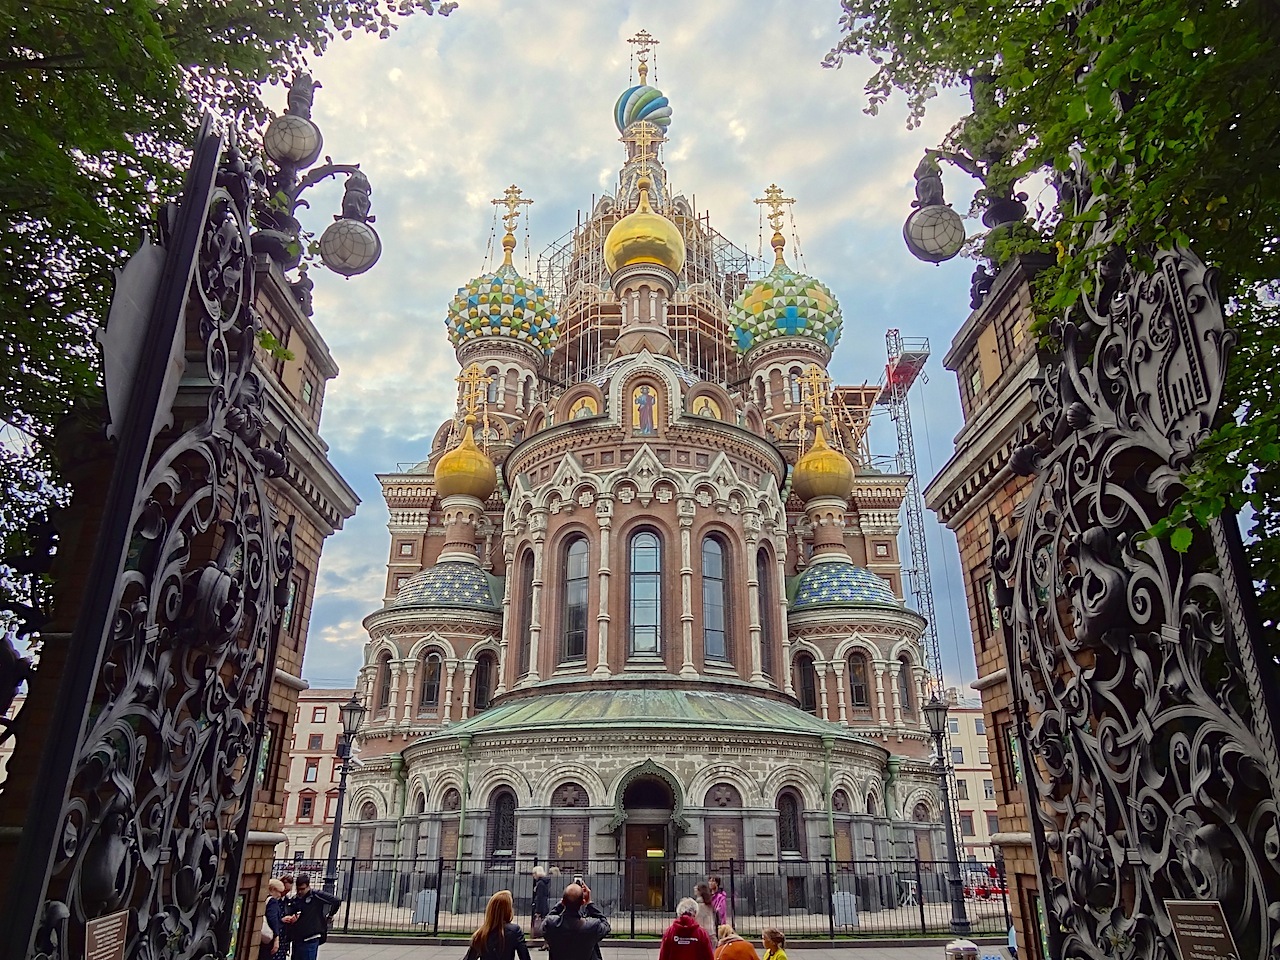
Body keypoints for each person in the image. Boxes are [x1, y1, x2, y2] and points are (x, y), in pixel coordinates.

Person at [542, 883, 610, 960]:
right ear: (582, 902)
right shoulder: (592, 926)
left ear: (563, 901)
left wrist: (561, 904)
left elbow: (547, 920)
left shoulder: (551, 924)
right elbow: (606, 925)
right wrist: (589, 903)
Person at [280, 874, 340, 960]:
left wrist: (330, 916)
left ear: (308, 886)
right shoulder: (295, 899)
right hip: (297, 939)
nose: (300, 892)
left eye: (302, 889)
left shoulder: (316, 895)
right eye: (298, 889)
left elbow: (336, 901)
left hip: (310, 937)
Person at [465, 890, 532, 960]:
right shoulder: (514, 931)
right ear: (508, 910)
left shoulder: (481, 934)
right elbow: (525, 957)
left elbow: (469, 958)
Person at [259, 879, 287, 960]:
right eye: (279, 892)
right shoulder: (272, 901)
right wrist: (276, 937)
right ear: (273, 889)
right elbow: (272, 919)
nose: (280, 895)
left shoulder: (263, 898)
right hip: (268, 937)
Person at [531, 866, 552, 950]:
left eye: (533, 873)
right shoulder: (544, 882)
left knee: (544, 928)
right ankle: (546, 943)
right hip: (544, 905)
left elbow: (539, 897)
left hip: (541, 907)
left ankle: (547, 944)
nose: (533, 875)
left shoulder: (540, 883)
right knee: (546, 927)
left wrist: (538, 911)